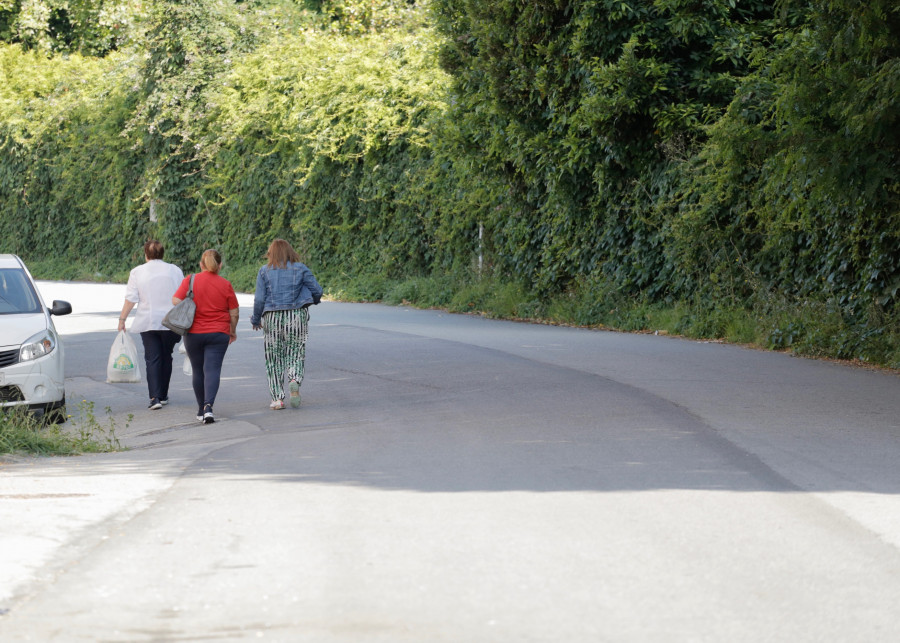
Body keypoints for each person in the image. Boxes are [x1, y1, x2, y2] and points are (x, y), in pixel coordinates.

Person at [250, 239, 322, 410]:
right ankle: (294, 379)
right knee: (296, 351)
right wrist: (313, 301)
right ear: (290, 252)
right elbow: (317, 290)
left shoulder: (264, 271)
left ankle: (277, 399)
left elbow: (260, 299)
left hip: (272, 319)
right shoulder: (300, 268)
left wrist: (255, 319)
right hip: (296, 315)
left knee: (274, 358)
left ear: (271, 253)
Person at [172, 249, 239, 424]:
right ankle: (208, 407)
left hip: (193, 333)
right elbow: (234, 313)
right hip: (219, 333)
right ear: (220, 265)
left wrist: (191, 304)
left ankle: (200, 409)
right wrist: (232, 330)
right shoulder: (225, 284)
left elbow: (175, 301)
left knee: (198, 370)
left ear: (201, 265)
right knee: (212, 370)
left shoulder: (190, 280)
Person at [118, 240, 185, 410]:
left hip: (148, 321)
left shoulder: (137, 272)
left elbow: (131, 298)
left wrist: (122, 319)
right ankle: (163, 395)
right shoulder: (175, 270)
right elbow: (183, 296)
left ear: (145, 254)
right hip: (171, 321)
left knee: (152, 358)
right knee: (166, 356)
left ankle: (154, 398)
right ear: (162, 254)